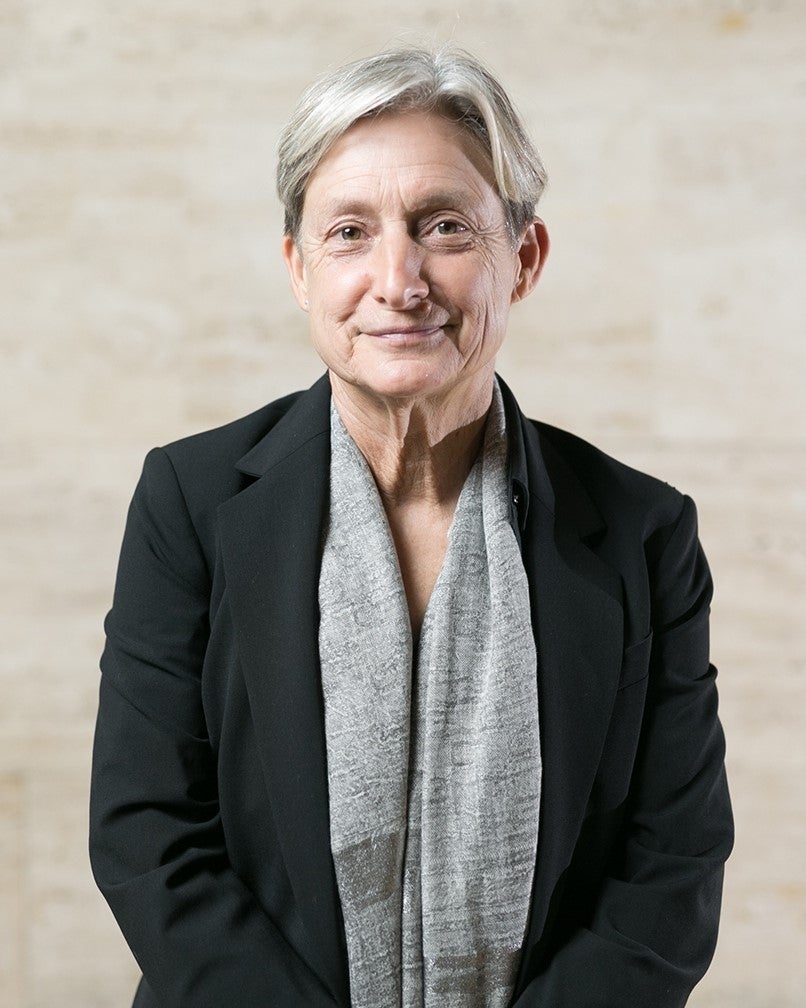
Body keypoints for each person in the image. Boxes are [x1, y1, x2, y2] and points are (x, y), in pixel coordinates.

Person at [89, 46, 733, 1008]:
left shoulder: (645, 531)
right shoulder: (189, 501)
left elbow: (672, 868)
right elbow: (148, 835)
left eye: (444, 227)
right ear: (299, 269)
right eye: (349, 232)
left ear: (525, 259)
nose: (399, 280)